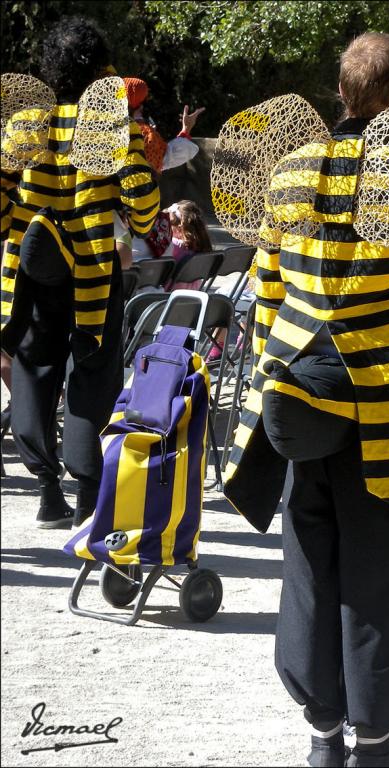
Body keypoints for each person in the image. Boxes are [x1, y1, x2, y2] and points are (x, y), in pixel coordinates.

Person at [222, 32, 389, 768]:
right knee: (384, 569)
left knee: (311, 565)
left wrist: (273, 376)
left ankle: (323, 739)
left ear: (341, 93)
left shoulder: (290, 169)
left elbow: (269, 288)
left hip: (301, 391)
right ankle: (376, 743)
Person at [0, 17, 159, 529]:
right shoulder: (111, 126)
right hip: (91, 269)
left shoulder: (26, 123)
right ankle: (89, 496)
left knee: (33, 369)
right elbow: (143, 210)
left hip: (32, 272)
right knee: (91, 371)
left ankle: (48, 492)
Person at [121, 77, 205, 263]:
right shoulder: (145, 133)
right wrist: (185, 131)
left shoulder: (100, 131)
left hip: (113, 222)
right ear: (139, 105)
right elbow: (170, 156)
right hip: (143, 221)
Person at [163, 200, 212, 291]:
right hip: (193, 294)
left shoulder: (173, 245)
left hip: (170, 295)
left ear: (179, 228)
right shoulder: (200, 246)